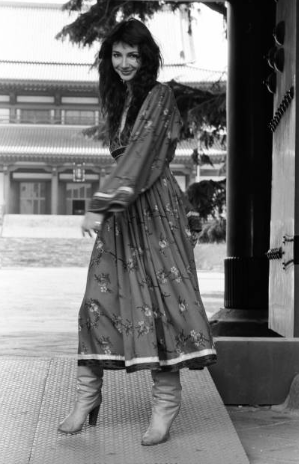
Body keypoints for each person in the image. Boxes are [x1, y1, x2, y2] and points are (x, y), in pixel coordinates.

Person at [58, 18, 217, 445]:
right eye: (118, 54)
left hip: (153, 210)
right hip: (123, 215)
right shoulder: (118, 99)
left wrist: (101, 203)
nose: (125, 63)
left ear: (146, 58)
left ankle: (165, 406)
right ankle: (86, 398)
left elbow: (145, 154)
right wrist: (111, 205)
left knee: (161, 304)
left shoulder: (159, 95)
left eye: (134, 54)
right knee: (98, 301)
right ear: (109, 58)